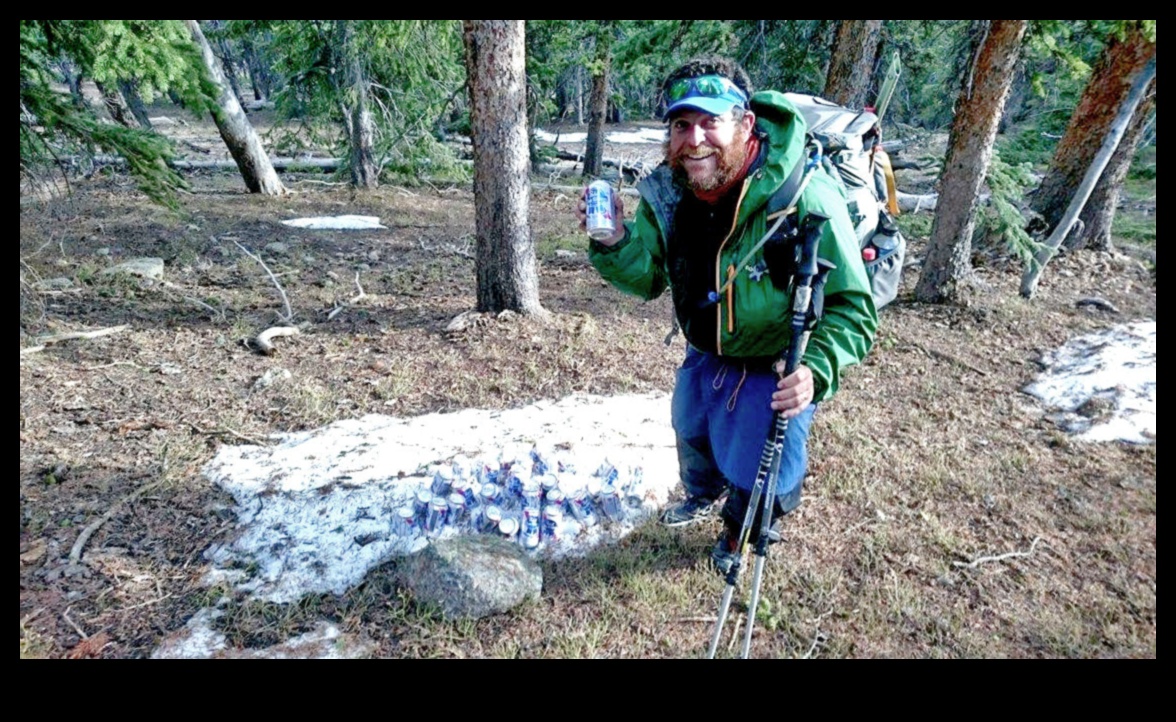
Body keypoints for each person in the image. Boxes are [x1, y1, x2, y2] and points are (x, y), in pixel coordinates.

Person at [577, 56, 877, 574]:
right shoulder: (670, 193)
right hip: (706, 349)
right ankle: (704, 494)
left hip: (774, 364)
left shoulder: (803, 194)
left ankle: (741, 529)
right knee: (691, 429)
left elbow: (853, 308)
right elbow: (648, 276)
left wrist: (815, 370)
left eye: (710, 121)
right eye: (681, 124)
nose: (694, 140)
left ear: (745, 124)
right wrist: (615, 240)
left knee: (764, 474)